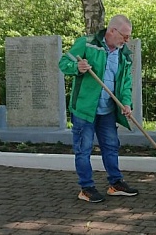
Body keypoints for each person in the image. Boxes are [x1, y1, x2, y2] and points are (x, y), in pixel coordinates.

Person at [59, 14, 139, 203]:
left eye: (128, 37)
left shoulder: (124, 54)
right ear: (112, 31)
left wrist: (126, 103)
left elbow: (125, 83)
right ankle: (86, 188)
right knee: (83, 149)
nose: (127, 40)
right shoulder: (86, 44)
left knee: (111, 147)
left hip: (108, 110)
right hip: (85, 110)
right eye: (124, 36)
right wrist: (77, 66)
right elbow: (63, 63)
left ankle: (115, 184)